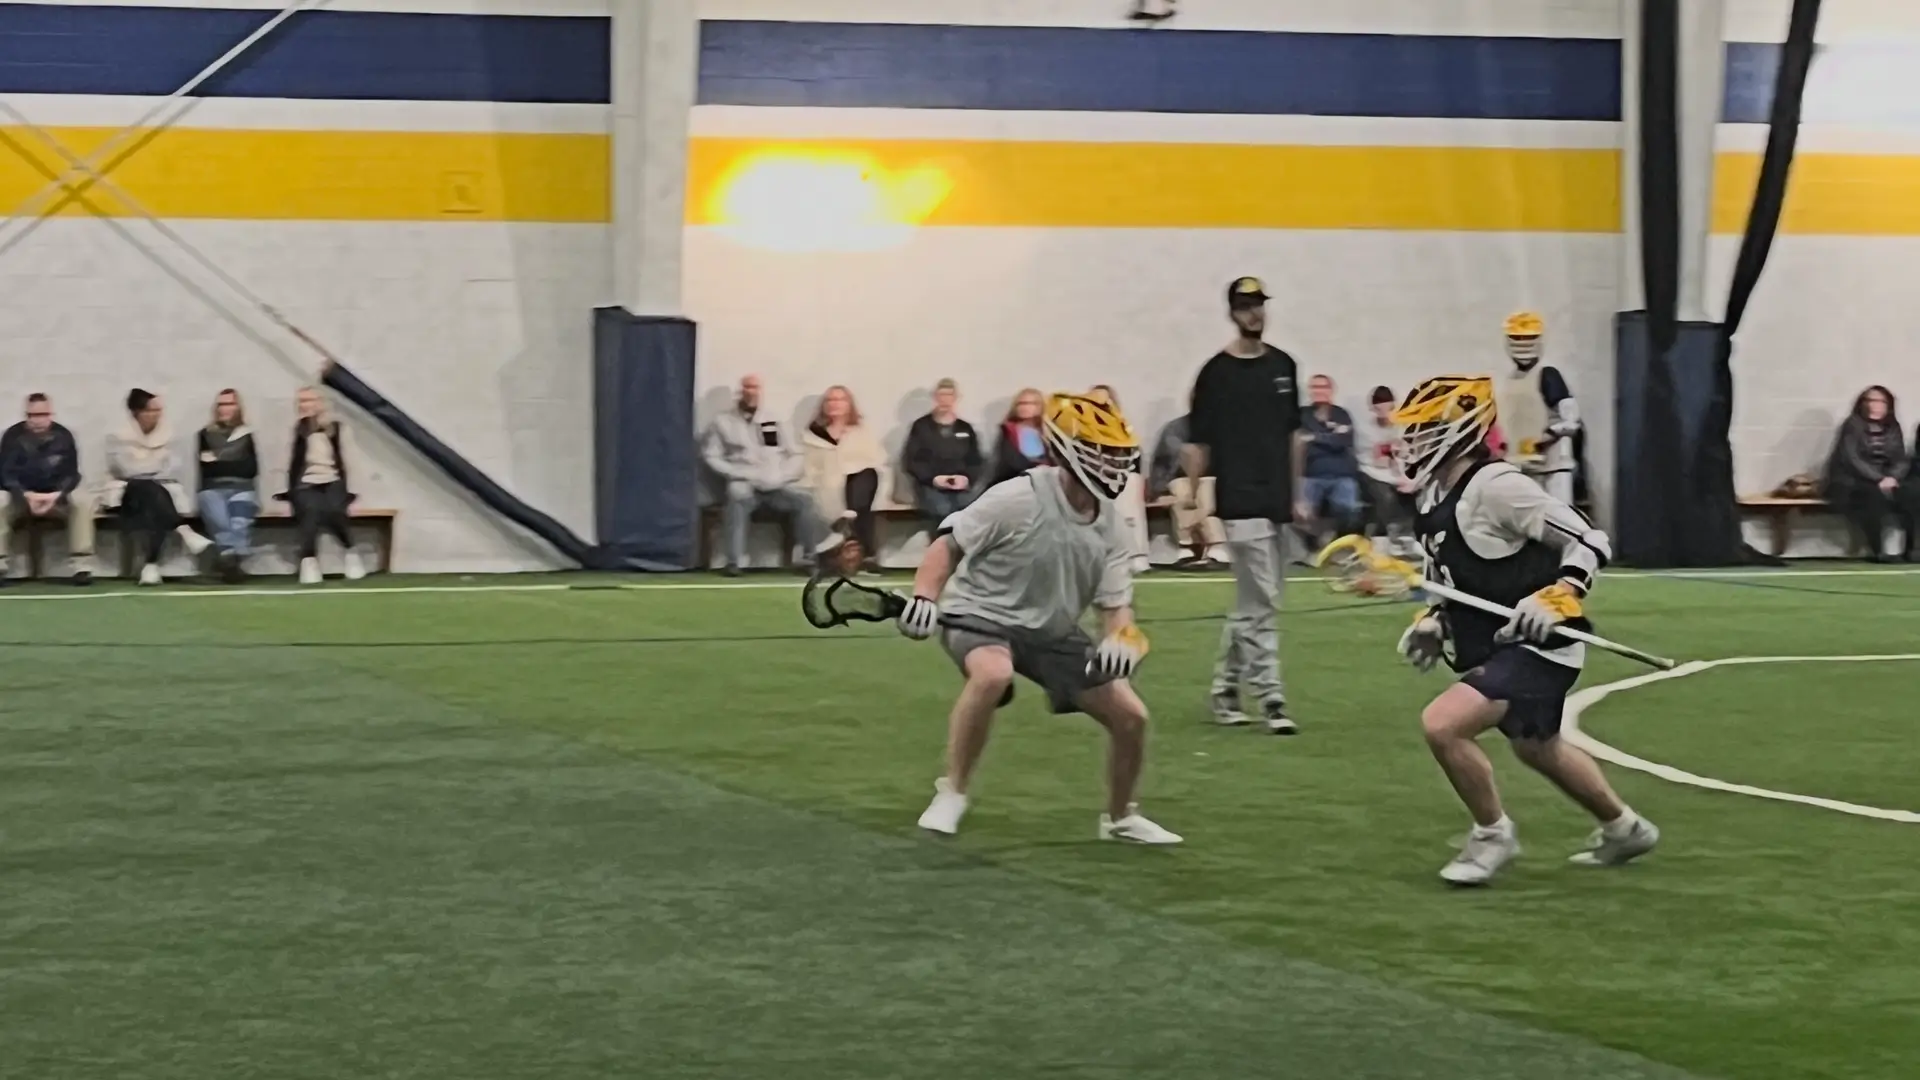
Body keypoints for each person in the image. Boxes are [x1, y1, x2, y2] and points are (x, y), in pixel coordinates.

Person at [1392, 375, 1659, 886]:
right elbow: (1446, 575)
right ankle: (1626, 828)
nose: (1414, 440)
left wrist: (1560, 593)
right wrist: (1434, 619)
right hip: (1498, 645)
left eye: (1426, 428)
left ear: (1462, 429)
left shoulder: (1498, 487)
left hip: (1539, 644)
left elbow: (1589, 539)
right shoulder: (1433, 495)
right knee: (1538, 747)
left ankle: (1492, 834)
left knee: (1444, 725)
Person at [899, 392, 1180, 844]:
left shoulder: (1112, 526)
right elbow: (948, 545)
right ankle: (952, 792)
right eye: (1101, 454)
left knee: (1131, 716)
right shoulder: (1018, 497)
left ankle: (1120, 818)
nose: (1113, 466)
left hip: (1051, 631)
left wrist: (1122, 641)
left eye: (1117, 456)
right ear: (1068, 451)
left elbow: (1114, 608)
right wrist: (924, 597)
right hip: (980, 613)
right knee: (992, 674)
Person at [1182, 276, 1304, 734]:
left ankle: (1225, 690)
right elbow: (1197, 443)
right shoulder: (1215, 374)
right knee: (1264, 600)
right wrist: (1193, 500)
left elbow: (1294, 435)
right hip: (1239, 499)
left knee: (1254, 602)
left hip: (1278, 499)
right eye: (1246, 306)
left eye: (1259, 305)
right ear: (1232, 312)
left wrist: (1298, 493)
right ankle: (1271, 697)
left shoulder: (1284, 366)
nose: (1255, 313)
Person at [701, 374, 846, 576]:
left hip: (776, 484)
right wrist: (737, 473)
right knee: (737, 497)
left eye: (755, 388)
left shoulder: (775, 419)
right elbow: (711, 455)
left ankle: (810, 558)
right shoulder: (722, 422)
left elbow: (796, 454)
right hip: (744, 482)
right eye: (747, 387)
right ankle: (735, 561)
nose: (751, 392)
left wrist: (783, 475)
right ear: (740, 391)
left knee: (804, 500)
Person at [104, 389, 213, 586]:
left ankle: (150, 566)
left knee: (154, 505)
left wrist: (144, 467)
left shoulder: (170, 436)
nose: (157, 414)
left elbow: (171, 469)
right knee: (144, 487)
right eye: (151, 410)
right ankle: (183, 531)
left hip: (161, 493)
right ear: (138, 412)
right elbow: (125, 470)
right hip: (127, 495)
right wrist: (151, 467)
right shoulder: (117, 437)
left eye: (159, 410)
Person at [0, 393, 96, 585]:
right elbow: (5, 475)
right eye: (32, 415)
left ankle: (82, 567)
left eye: (43, 415)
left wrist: (56, 495)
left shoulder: (64, 436)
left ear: (50, 414)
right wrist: (27, 496)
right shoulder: (12, 437)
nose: (38, 420)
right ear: (26, 415)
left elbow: (72, 475)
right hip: (21, 499)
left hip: (55, 499)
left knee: (82, 503)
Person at [1491, 311, 1581, 503]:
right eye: (1518, 338)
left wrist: (1547, 435)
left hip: (1552, 469)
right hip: (1520, 468)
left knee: (1558, 515)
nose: (1523, 343)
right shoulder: (1509, 382)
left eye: (1528, 338)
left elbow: (1571, 419)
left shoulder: (1548, 375)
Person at [282, 386, 365, 585]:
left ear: (320, 403)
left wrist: (349, 489)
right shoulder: (300, 430)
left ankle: (351, 553)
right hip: (306, 483)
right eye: (301, 401)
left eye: (308, 400)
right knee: (310, 513)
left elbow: (346, 459)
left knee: (335, 512)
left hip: (332, 480)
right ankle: (309, 561)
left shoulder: (335, 428)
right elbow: (294, 463)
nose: (304, 405)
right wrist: (291, 492)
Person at [802, 385, 888, 572]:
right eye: (830, 400)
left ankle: (849, 517)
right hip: (827, 487)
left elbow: (875, 459)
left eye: (840, 400)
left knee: (865, 477)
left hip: (859, 485)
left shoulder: (861, 432)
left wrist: (849, 470)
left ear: (849, 404)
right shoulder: (813, 434)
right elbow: (809, 468)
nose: (835, 404)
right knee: (858, 501)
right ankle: (867, 553)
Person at [1824, 385, 1914, 561]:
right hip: (1851, 479)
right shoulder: (1852, 425)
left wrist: (1893, 477)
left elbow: (1900, 458)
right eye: (1871, 401)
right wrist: (1878, 478)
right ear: (1862, 404)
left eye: (1881, 401)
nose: (1875, 405)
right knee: (1872, 497)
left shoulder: (1893, 426)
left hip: (1886, 478)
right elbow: (1852, 458)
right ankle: (1877, 550)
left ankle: (1910, 549)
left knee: (1910, 493)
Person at [902, 377, 985, 529]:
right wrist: (934, 479)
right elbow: (911, 460)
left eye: (949, 395)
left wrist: (967, 479)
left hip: (961, 484)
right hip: (931, 484)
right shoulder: (921, 427)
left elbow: (976, 460)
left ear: (956, 398)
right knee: (943, 510)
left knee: (969, 509)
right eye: (941, 395)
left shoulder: (965, 428)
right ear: (935, 398)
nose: (945, 400)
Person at [196, 388, 259, 583]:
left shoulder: (246, 434)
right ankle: (232, 562)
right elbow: (207, 470)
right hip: (212, 488)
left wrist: (218, 459)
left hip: (242, 487)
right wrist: (232, 462)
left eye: (230, 404)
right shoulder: (205, 434)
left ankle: (227, 561)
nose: (225, 408)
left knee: (239, 522)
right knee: (220, 521)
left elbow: (250, 469)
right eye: (221, 404)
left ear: (237, 407)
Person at [1149, 412, 1225, 569]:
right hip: (1177, 478)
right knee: (1182, 494)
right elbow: (1162, 463)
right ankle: (1185, 546)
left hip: (1213, 478)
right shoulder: (1175, 428)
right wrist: (1159, 491)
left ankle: (1216, 546)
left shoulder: (1223, 426)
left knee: (1206, 493)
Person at [1088, 384, 1150, 573]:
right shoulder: (1081, 426)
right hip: (1093, 475)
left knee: (1129, 508)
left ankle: (1137, 555)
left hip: (1124, 474)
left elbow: (1133, 453)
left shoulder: (1122, 426)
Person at [1297, 374, 1363, 547]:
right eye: (1315, 387)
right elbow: (1299, 443)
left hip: (1341, 474)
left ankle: (1339, 542)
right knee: (1302, 514)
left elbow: (1344, 442)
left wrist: (1314, 437)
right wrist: (1331, 436)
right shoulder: (1302, 414)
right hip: (1310, 474)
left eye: (1323, 387)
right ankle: (1314, 546)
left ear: (1331, 390)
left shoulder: (1341, 414)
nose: (1319, 391)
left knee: (1349, 510)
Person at [1353, 385, 1416, 545]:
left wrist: (1401, 458)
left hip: (1397, 471)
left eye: (1388, 406)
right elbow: (1371, 460)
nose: (1384, 411)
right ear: (1373, 408)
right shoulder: (1365, 430)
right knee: (1386, 497)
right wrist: (1390, 458)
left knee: (1415, 492)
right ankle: (1380, 537)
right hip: (1371, 472)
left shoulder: (1401, 427)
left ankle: (1406, 534)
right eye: (1379, 406)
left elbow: (1407, 453)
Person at [988, 388, 1048, 485]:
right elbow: (1007, 463)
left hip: (1046, 483)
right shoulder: (1008, 431)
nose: (1024, 407)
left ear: (1040, 406)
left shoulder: (1049, 432)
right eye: (1020, 404)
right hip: (1015, 482)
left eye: (1030, 403)